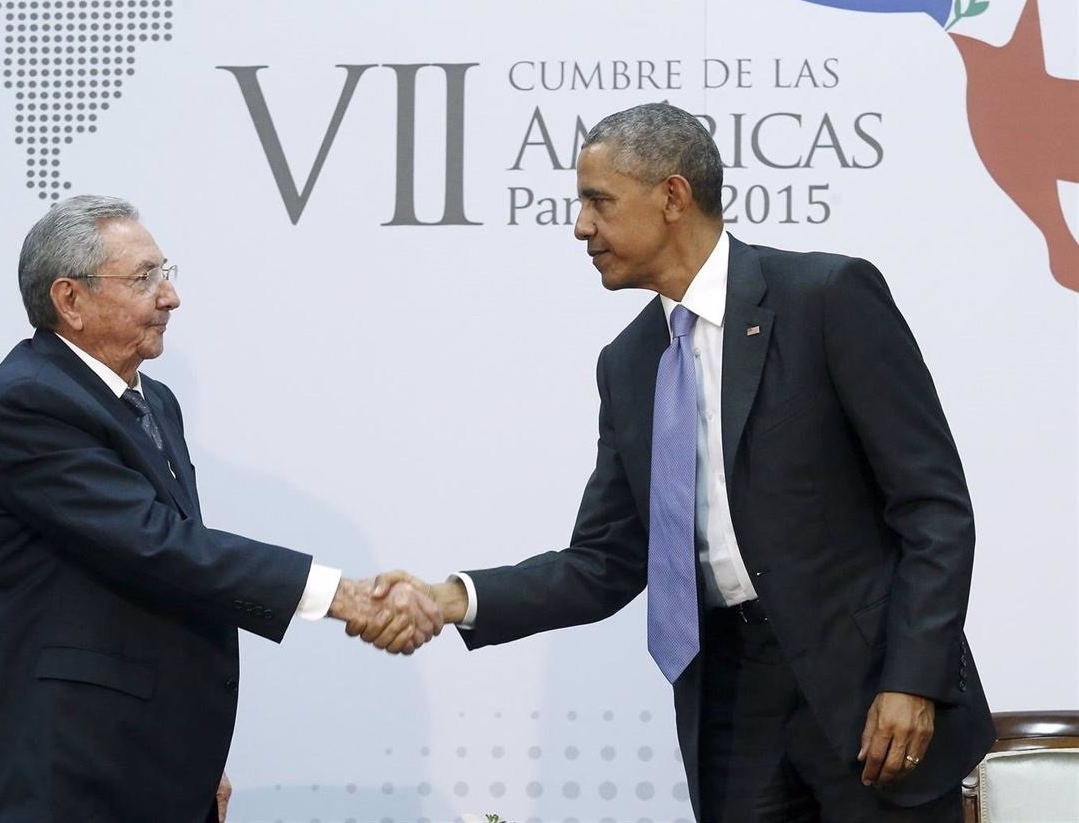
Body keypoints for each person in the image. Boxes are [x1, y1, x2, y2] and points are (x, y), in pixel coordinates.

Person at [367, 102, 994, 822]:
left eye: (597, 202)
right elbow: (604, 561)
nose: (580, 227)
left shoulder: (826, 298)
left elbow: (933, 508)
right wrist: (451, 598)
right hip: (730, 708)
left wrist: (914, 681)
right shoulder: (630, 364)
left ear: (672, 196)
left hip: (866, 695)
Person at [0, 195, 441, 823]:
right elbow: (156, 544)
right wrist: (338, 594)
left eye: (167, 272)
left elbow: (173, 576)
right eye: (144, 278)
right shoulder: (27, 404)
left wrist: (190, 755)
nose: (171, 296)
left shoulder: (155, 402)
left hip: (141, 761)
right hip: (60, 775)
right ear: (69, 300)